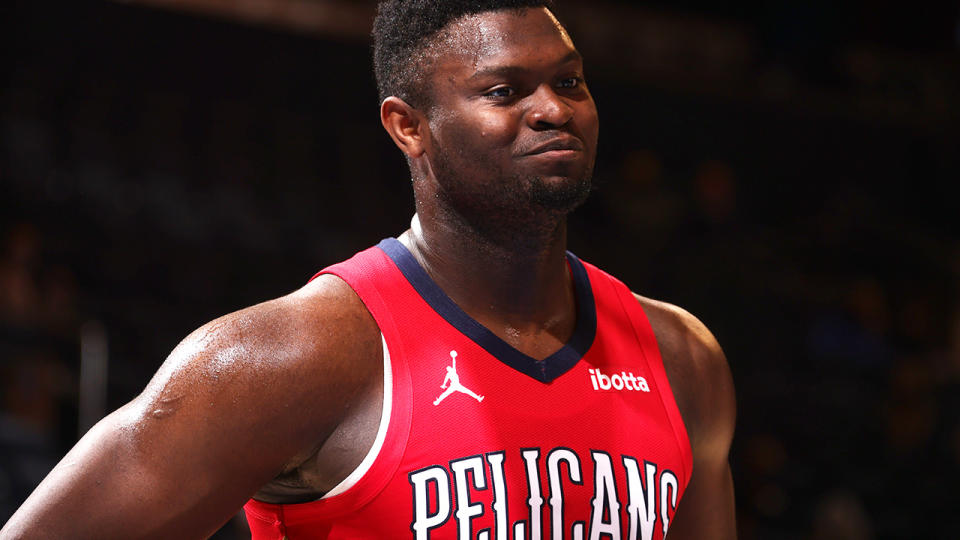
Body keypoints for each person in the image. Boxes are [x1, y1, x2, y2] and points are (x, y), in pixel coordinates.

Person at [0, 1, 736, 538]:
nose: (553, 110)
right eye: (505, 92)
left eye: (570, 83)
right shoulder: (295, 355)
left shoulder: (681, 357)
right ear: (407, 125)